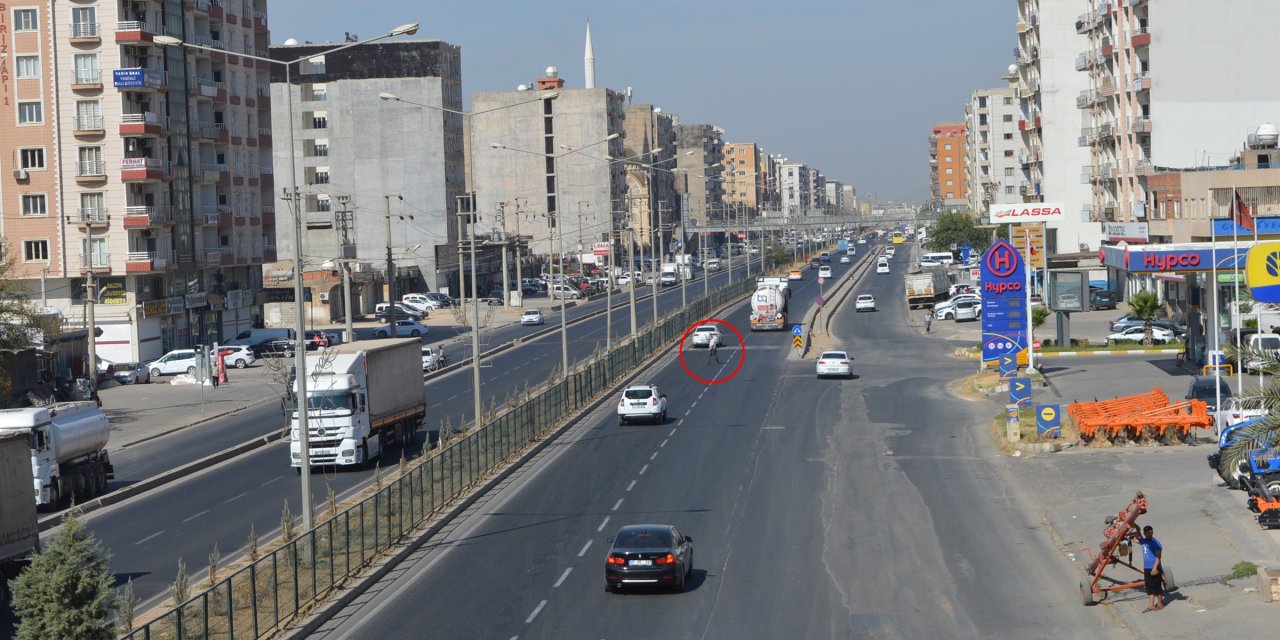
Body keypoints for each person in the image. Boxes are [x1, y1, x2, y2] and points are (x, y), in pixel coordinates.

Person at [1137, 525, 1164, 611]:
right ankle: (1151, 605)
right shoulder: (1143, 541)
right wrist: (1134, 525)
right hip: (1146, 568)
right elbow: (1136, 536)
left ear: (1152, 532)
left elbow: (1158, 557)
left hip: (1154, 567)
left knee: (1157, 587)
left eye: (1149, 532)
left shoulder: (1156, 543)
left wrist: (1155, 568)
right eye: (1146, 532)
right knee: (1149, 587)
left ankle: (1160, 604)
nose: (1148, 534)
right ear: (1144, 533)